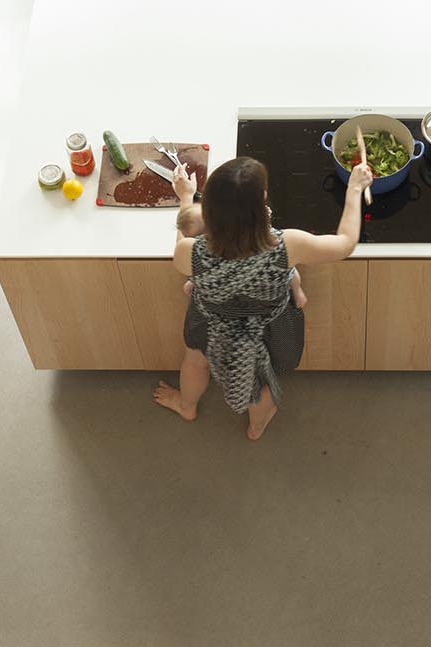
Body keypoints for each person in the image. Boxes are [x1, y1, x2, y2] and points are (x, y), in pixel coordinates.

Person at [154, 156, 371, 440]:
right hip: (269, 328)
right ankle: (256, 427)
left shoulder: (190, 252)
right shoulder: (286, 245)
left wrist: (184, 197)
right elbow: (344, 244)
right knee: (262, 381)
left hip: (210, 322)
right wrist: (354, 189)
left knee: (195, 362)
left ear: (208, 209)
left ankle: (187, 406)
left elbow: (184, 236)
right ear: (261, 208)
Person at [176, 202, 305, 312]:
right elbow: (262, 239)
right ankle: (297, 290)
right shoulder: (229, 239)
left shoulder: (199, 254)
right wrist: (262, 220)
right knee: (290, 270)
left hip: (215, 284)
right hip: (253, 288)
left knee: (196, 279)